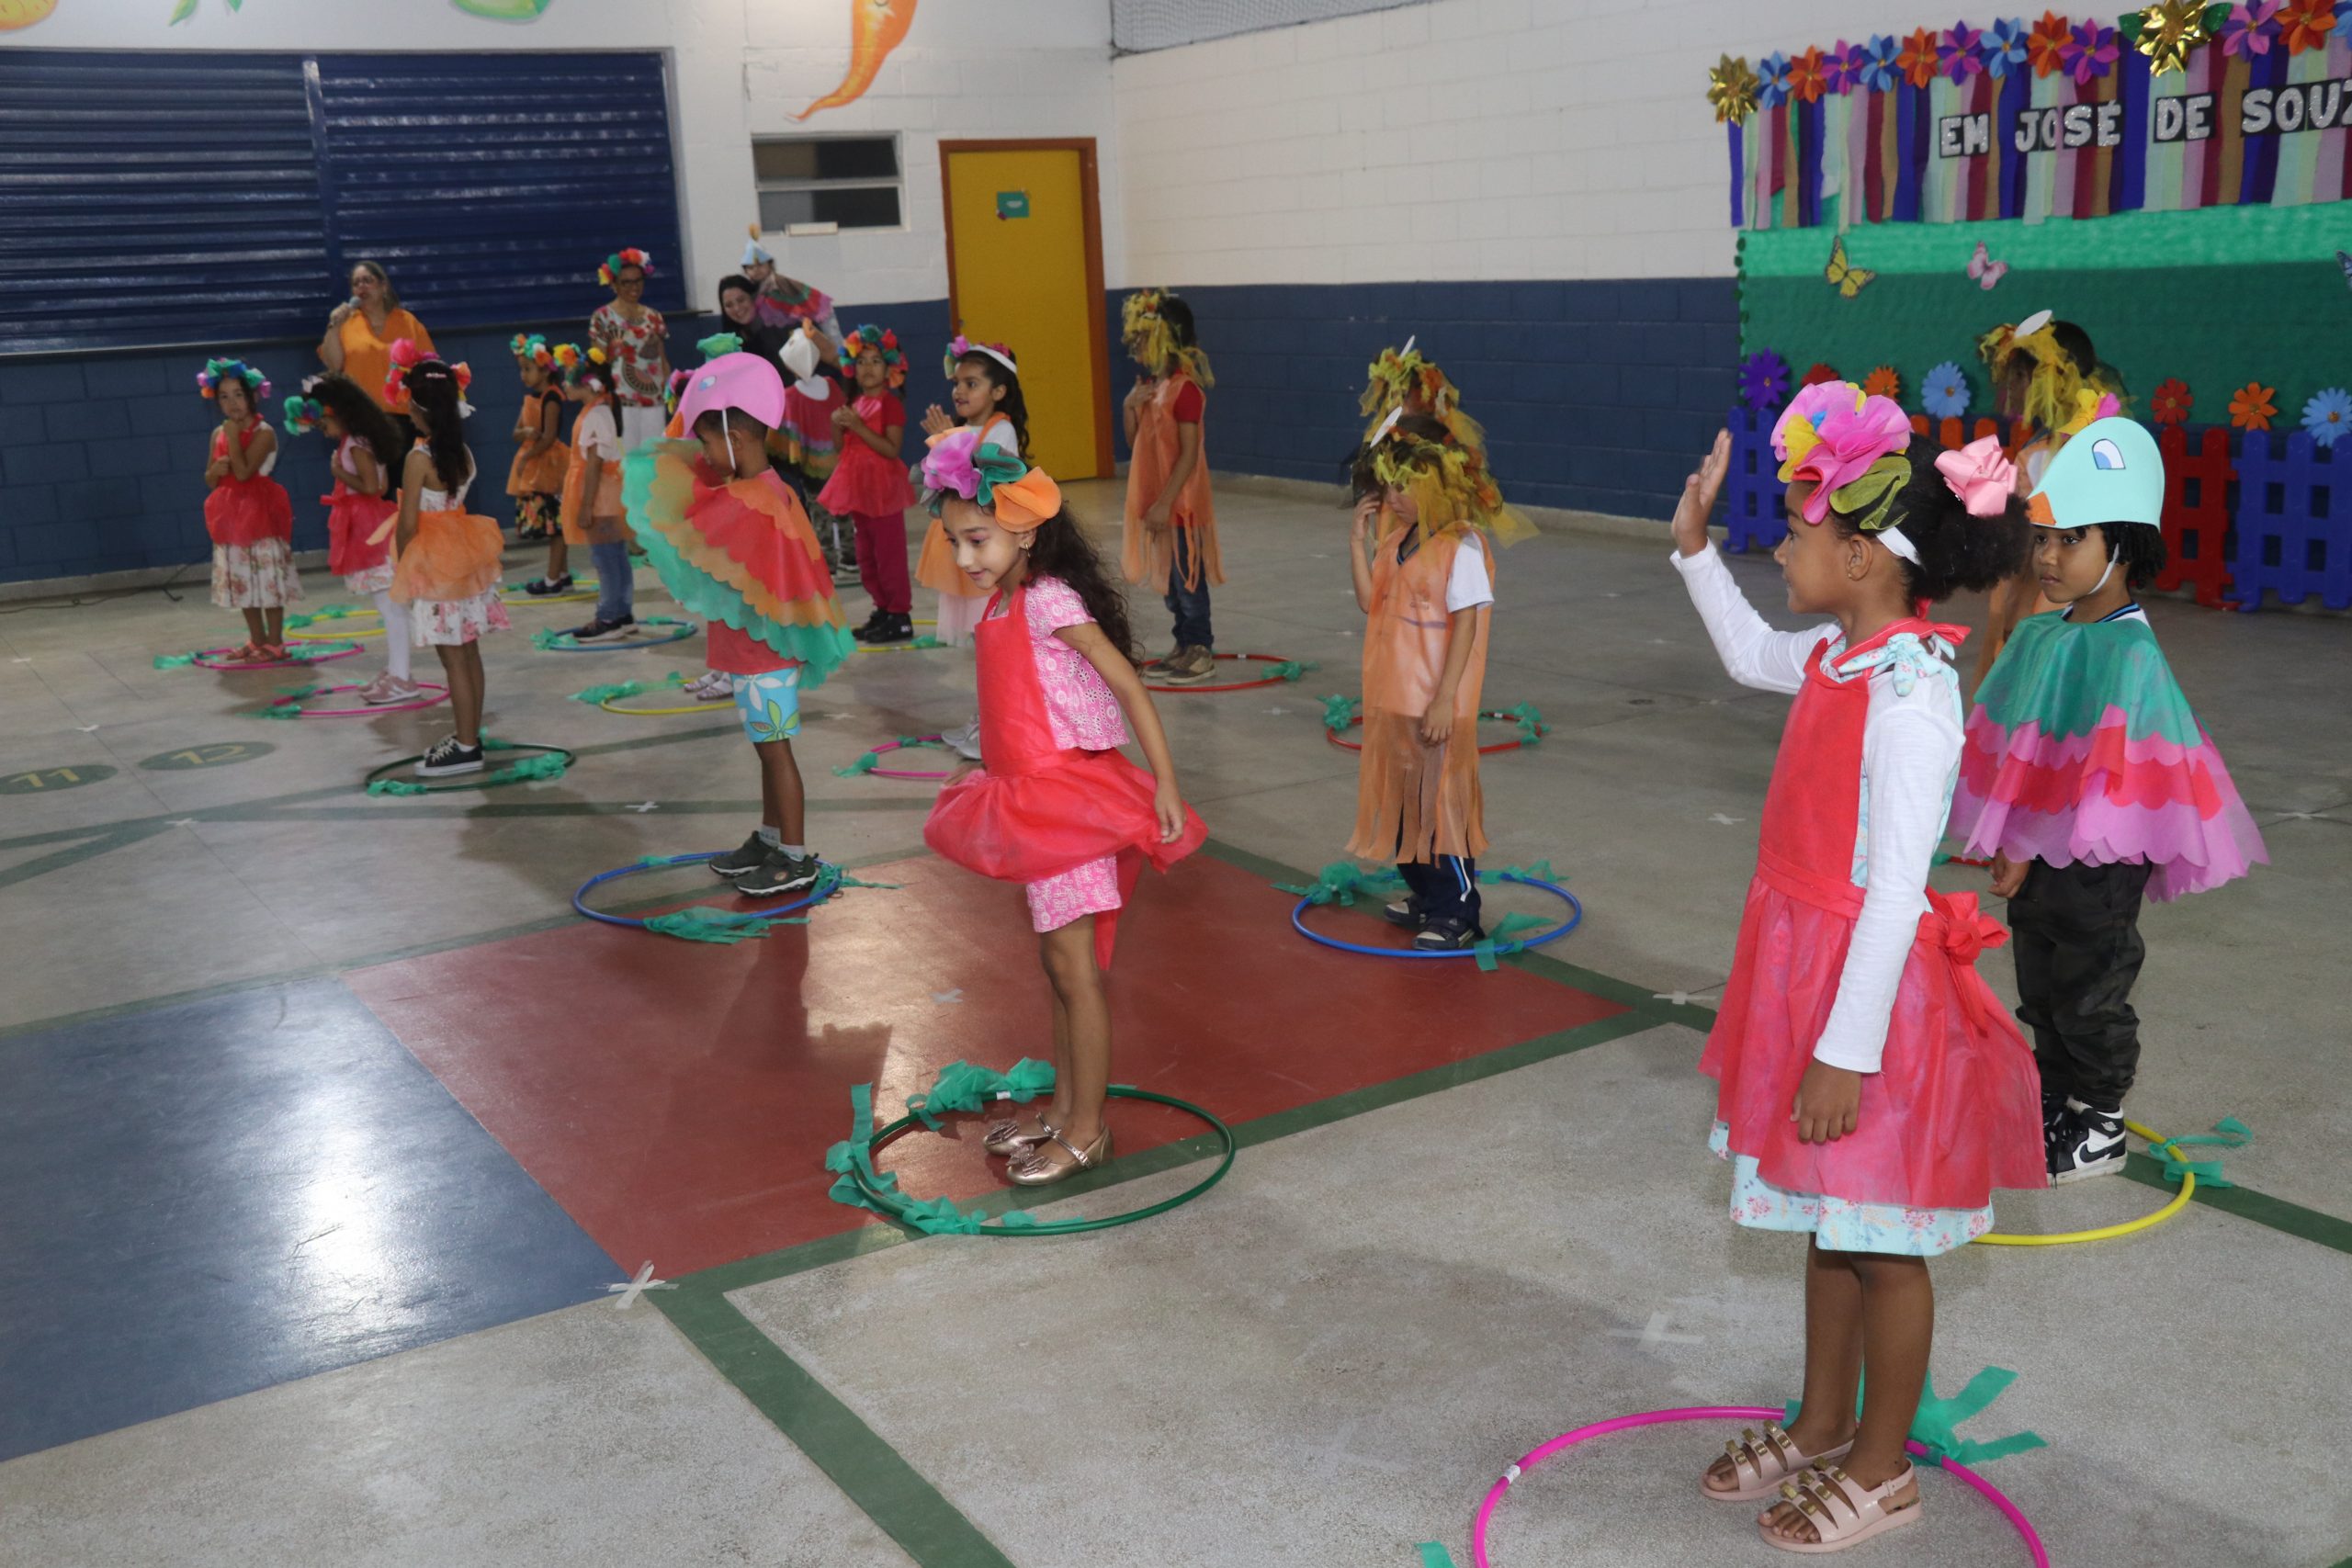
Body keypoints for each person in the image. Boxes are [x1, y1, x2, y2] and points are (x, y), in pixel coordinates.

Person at [1669, 382, 2044, 1552]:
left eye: (1798, 530)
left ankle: (1883, 1469)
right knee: (1827, 1220)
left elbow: (1894, 888)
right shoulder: (1841, 655)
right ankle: (1825, 1416)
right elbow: (1744, 656)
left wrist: (1843, 1048)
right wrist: (1691, 551)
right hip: (1802, 971)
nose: (1779, 543)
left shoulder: (1912, 688)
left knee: (1882, 1239)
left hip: (1864, 1000)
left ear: (1871, 559)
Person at [1949, 419, 2267, 1182]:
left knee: (2090, 985)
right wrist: (2010, 836)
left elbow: (2100, 774)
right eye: (2043, 537)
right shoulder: (2042, 635)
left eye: (2072, 539)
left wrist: (2028, 838)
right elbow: (2024, 746)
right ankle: (2055, 1097)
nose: (2047, 557)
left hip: (2104, 854)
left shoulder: (2130, 652)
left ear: (2121, 545)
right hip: (2042, 851)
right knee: (2041, 979)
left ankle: (2099, 1121)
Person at [920, 426, 1205, 1187]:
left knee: (1075, 969)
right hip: (1029, 804)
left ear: (1023, 526)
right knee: (1057, 960)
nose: (967, 557)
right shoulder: (1003, 602)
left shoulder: (1047, 598)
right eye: (955, 542)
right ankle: (1063, 1107)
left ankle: (1087, 1130)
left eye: (978, 538)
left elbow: (1127, 682)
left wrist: (1165, 780)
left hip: (1068, 806)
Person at [625, 351, 857, 896]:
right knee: (765, 748)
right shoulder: (753, 492)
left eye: (709, 442)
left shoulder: (756, 501)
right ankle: (772, 837)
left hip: (766, 657)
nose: (703, 454)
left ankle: (795, 856)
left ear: (738, 438)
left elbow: (692, 524)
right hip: (753, 655)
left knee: (777, 751)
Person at [1342, 412, 1532, 951]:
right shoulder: (1394, 539)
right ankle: (1425, 894)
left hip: (1436, 700)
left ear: (1436, 484)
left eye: (1403, 484)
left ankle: (1459, 910)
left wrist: (1446, 698)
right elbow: (1368, 601)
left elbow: (1467, 622)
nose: (1392, 495)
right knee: (1405, 806)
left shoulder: (1461, 546)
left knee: (1442, 808)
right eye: (1388, 484)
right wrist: (1357, 543)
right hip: (1393, 697)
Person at [1972, 312, 2125, 682]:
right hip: (2098, 585)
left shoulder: (2042, 454)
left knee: (2032, 677)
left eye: (2020, 378)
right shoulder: (2106, 439)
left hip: (2048, 590)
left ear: (2042, 379)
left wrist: (2009, 610)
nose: (2015, 388)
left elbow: (2029, 540)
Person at [388, 346, 508, 776]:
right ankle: (468, 734)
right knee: (468, 653)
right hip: (464, 558)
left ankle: (467, 745)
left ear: (417, 410)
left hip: (436, 567)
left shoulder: (418, 460)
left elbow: (406, 525)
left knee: (452, 658)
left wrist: (403, 570)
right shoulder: (463, 454)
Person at [1119, 289, 1220, 683]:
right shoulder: (1150, 387)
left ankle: (1200, 648)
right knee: (1171, 585)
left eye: (1144, 339)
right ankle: (1182, 643)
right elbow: (1134, 442)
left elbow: (1189, 455)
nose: (1138, 347)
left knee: (1188, 579)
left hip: (1181, 502)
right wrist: (1129, 405)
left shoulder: (1185, 390)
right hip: (1156, 501)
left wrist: (1165, 503)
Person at [302, 372, 418, 703]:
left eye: (324, 421)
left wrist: (338, 472)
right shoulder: (356, 441)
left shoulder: (356, 444)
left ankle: (402, 677)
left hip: (370, 529)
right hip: (365, 525)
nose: (321, 429)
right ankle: (397, 671)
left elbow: (372, 488)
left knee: (391, 607)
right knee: (388, 606)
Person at [816, 324, 916, 644]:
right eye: (861, 362)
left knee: (889, 556)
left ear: (889, 368)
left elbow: (891, 449)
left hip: (883, 491)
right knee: (866, 556)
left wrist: (857, 426)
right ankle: (883, 609)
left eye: (875, 361)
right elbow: (840, 448)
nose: (868, 368)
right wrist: (837, 425)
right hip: (860, 491)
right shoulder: (855, 403)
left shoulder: (890, 404)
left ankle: (900, 615)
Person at [197, 358, 298, 661]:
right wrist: (215, 468)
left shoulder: (264, 432)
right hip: (230, 516)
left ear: (253, 396)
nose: (232, 403)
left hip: (259, 514)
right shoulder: (218, 433)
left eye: (238, 395)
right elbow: (210, 479)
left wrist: (231, 439)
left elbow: (243, 473)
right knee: (242, 580)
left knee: (267, 580)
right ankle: (256, 639)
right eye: (224, 397)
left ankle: (275, 642)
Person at [552, 344, 634, 640]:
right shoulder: (596, 410)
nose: (563, 383)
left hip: (599, 496)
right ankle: (623, 613)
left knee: (605, 558)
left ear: (587, 385)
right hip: (605, 494)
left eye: (568, 378)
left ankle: (610, 616)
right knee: (614, 555)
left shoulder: (596, 415)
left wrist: (586, 505)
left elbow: (595, 463)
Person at [316, 260, 435, 414]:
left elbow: (429, 367)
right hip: (361, 417)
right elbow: (334, 366)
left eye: (367, 280)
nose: (361, 286)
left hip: (405, 416)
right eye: (356, 283)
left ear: (383, 287)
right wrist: (334, 326)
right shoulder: (346, 325)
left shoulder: (407, 322)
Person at [589, 247, 670, 454]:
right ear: (614, 284)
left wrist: (671, 394)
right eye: (626, 282)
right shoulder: (602, 318)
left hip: (654, 399)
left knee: (653, 458)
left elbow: (662, 360)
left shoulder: (654, 316)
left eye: (638, 280)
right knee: (625, 459)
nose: (634, 287)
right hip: (620, 401)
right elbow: (598, 364)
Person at [507, 334, 571, 574]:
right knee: (550, 524)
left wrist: (526, 456)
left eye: (528, 369)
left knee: (556, 524)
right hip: (536, 464)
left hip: (550, 465)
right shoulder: (529, 399)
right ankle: (560, 574)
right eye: (521, 369)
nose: (523, 375)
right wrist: (525, 432)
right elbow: (515, 433)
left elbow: (549, 437)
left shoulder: (552, 397)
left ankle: (554, 577)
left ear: (545, 370)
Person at [741, 227, 843, 355]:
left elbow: (822, 310)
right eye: (751, 267)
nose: (756, 270)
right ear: (745, 271)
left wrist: (838, 348)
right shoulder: (749, 292)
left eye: (761, 265)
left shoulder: (784, 285)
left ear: (770, 264)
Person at [716, 274, 792, 366]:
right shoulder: (729, 341)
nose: (736, 308)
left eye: (741, 300)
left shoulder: (780, 326)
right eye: (729, 305)